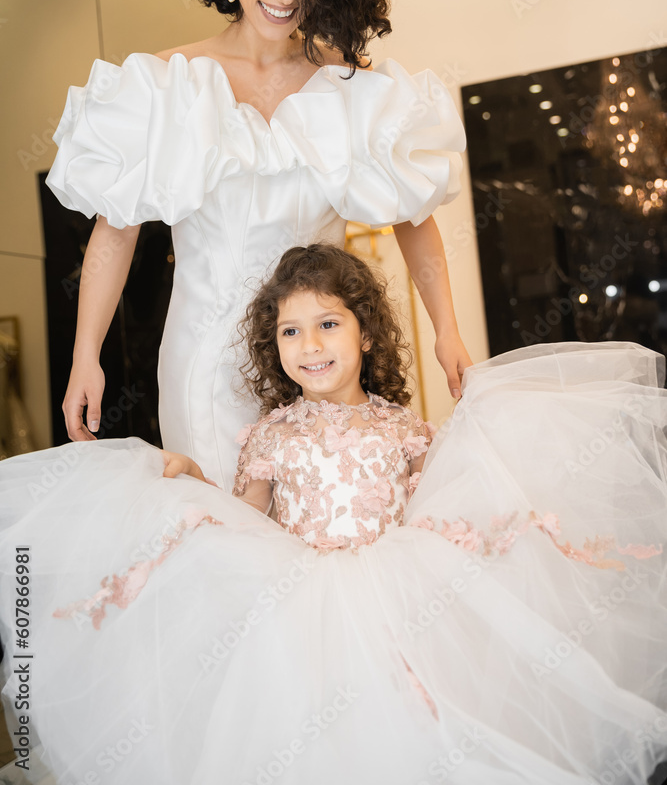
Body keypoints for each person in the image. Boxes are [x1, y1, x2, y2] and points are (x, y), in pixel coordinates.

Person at [1, 243, 666, 785]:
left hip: (399, 596)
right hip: (300, 600)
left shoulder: (406, 430)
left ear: (365, 332)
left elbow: (440, 504)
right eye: (290, 330)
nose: (309, 344)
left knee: (406, 723)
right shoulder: (269, 435)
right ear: (275, 345)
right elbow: (243, 525)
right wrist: (191, 480)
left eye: (328, 323)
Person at [45, 0, 471, 492]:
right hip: (207, 361)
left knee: (331, 536)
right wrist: (86, 357)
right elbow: (118, 228)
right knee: (228, 538)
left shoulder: (353, 87)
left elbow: (415, 214)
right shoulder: (168, 85)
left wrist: (448, 332)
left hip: (324, 359)